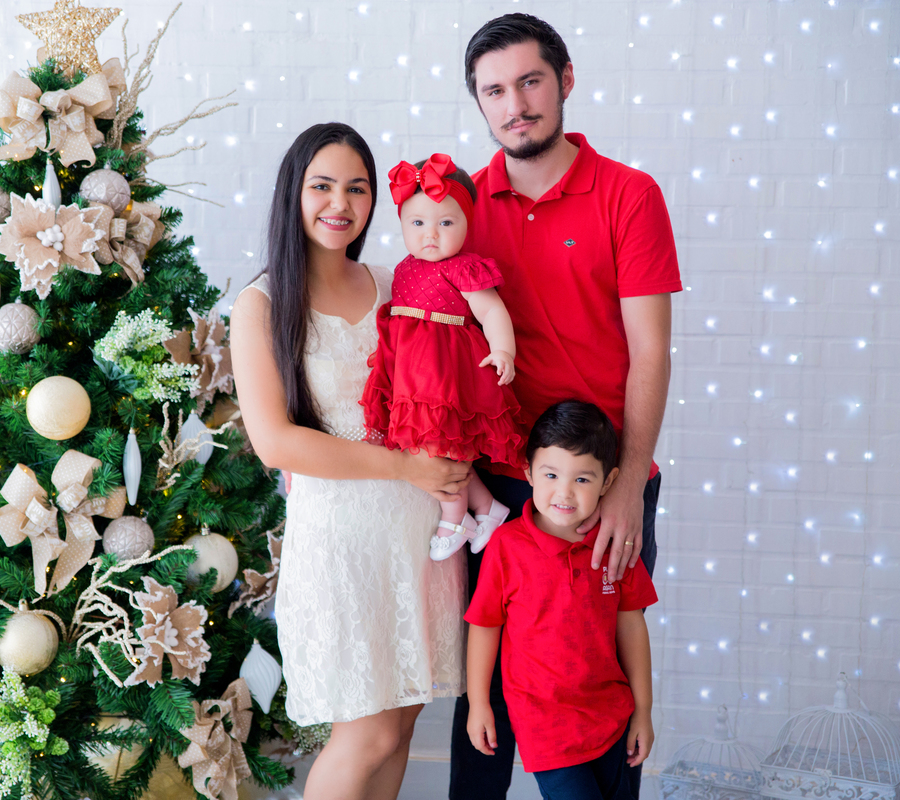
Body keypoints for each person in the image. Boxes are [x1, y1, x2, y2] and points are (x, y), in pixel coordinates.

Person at [449, 13, 682, 800]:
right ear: (479, 103)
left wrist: (625, 483)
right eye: (494, 91)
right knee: (487, 680)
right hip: (501, 481)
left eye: (530, 81)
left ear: (566, 80)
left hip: (606, 478)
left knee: (602, 666)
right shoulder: (462, 208)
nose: (514, 103)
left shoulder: (630, 195)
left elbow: (650, 349)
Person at [231, 122, 469, 800]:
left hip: (420, 536)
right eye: (323, 186)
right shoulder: (264, 302)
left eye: (358, 188)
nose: (341, 203)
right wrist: (405, 468)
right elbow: (274, 441)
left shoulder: (399, 282)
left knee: (399, 728)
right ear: (294, 194)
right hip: (342, 543)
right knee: (362, 734)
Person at [465, 400, 656, 800]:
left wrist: (643, 710)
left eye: (583, 480)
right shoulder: (507, 547)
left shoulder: (614, 545)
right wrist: (479, 703)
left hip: (611, 718)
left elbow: (632, 625)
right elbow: (485, 626)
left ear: (608, 482)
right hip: (545, 726)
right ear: (528, 472)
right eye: (550, 474)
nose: (564, 492)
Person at [361, 153, 524, 562]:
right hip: (411, 372)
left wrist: (504, 350)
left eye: (445, 223)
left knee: (441, 446)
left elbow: (491, 311)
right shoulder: (403, 268)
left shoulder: (464, 268)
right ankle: (486, 507)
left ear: (467, 225)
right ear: (401, 225)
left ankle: (455, 517)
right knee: (426, 445)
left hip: (445, 371)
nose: (429, 235)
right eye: (417, 223)